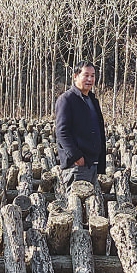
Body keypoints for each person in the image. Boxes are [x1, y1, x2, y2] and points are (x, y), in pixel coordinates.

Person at [55, 61, 106, 189]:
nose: (90, 79)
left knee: (90, 206)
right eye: (86, 75)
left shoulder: (93, 100)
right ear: (75, 76)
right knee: (76, 205)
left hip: (92, 164)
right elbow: (62, 132)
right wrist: (76, 157)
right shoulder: (66, 100)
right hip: (77, 167)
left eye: (93, 76)